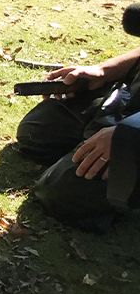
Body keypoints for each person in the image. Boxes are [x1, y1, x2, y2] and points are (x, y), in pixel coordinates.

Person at [16, 42, 140, 232]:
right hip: (132, 99)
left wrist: (129, 135)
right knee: (36, 132)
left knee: (59, 193)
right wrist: (103, 70)